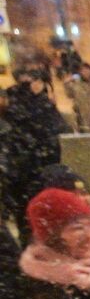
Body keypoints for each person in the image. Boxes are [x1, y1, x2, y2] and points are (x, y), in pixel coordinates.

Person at [5, 70, 68, 242]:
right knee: (29, 215)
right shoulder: (19, 106)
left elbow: (60, 129)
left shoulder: (42, 104)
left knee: (40, 214)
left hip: (40, 167)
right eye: (31, 81)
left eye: (38, 81)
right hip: (27, 170)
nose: (36, 85)